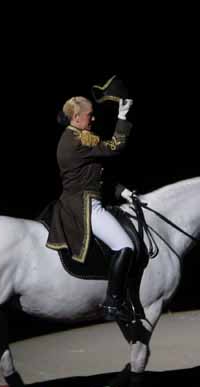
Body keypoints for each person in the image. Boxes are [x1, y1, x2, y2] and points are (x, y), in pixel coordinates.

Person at [45, 95, 137, 323]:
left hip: (82, 198)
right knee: (125, 246)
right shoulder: (76, 141)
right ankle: (113, 303)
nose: (93, 118)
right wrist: (123, 116)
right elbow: (115, 147)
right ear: (76, 117)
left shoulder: (73, 137)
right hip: (85, 205)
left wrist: (123, 192)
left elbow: (94, 173)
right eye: (89, 115)